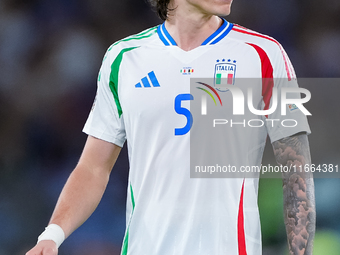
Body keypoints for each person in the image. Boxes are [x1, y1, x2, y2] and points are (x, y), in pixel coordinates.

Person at [26, 0, 316, 254]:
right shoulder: (123, 58)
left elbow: (297, 170)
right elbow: (93, 168)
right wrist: (52, 235)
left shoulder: (265, 55)